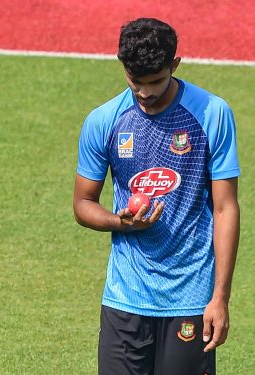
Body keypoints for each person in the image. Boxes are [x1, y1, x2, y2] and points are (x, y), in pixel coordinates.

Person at [73, 18, 240, 375]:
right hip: (125, 296)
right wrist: (121, 222)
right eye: (136, 82)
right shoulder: (104, 121)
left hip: (190, 296)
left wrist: (220, 298)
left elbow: (226, 209)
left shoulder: (212, 115)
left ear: (174, 65)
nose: (145, 93)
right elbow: (83, 204)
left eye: (156, 81)